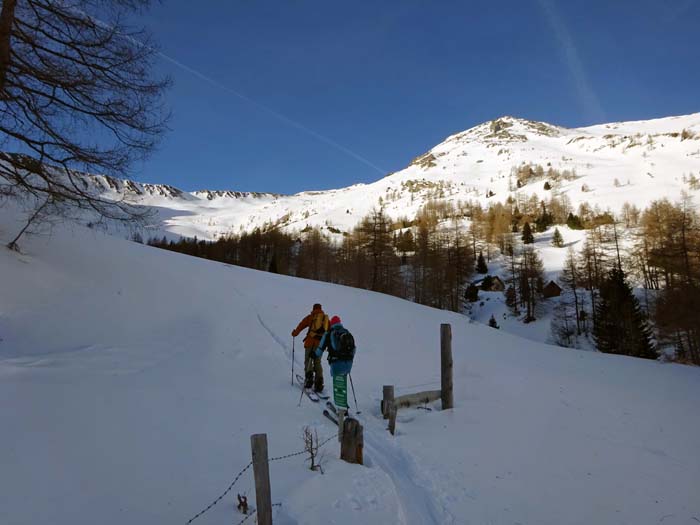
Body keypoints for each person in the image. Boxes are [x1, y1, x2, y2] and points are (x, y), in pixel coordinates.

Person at [316, 315, 355, 410]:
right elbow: (354, 348)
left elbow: (320, 348)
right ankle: (343, 403)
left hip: (336, 362)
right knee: (342, 383)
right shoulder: (346, 332)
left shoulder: (329, 333)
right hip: (348, 363)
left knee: (338, 384)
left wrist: (315, 355)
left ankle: (341, 407)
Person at [291, 303, 329, 392]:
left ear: (313, 308)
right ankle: (319, 383)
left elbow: (301, 325)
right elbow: (329, 331)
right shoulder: (325, 319)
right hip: (320, 345)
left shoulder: (310, 317)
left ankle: (309, 380)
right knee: (317, 362)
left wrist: (295, 333)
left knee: (308, 361)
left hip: (310, 343)